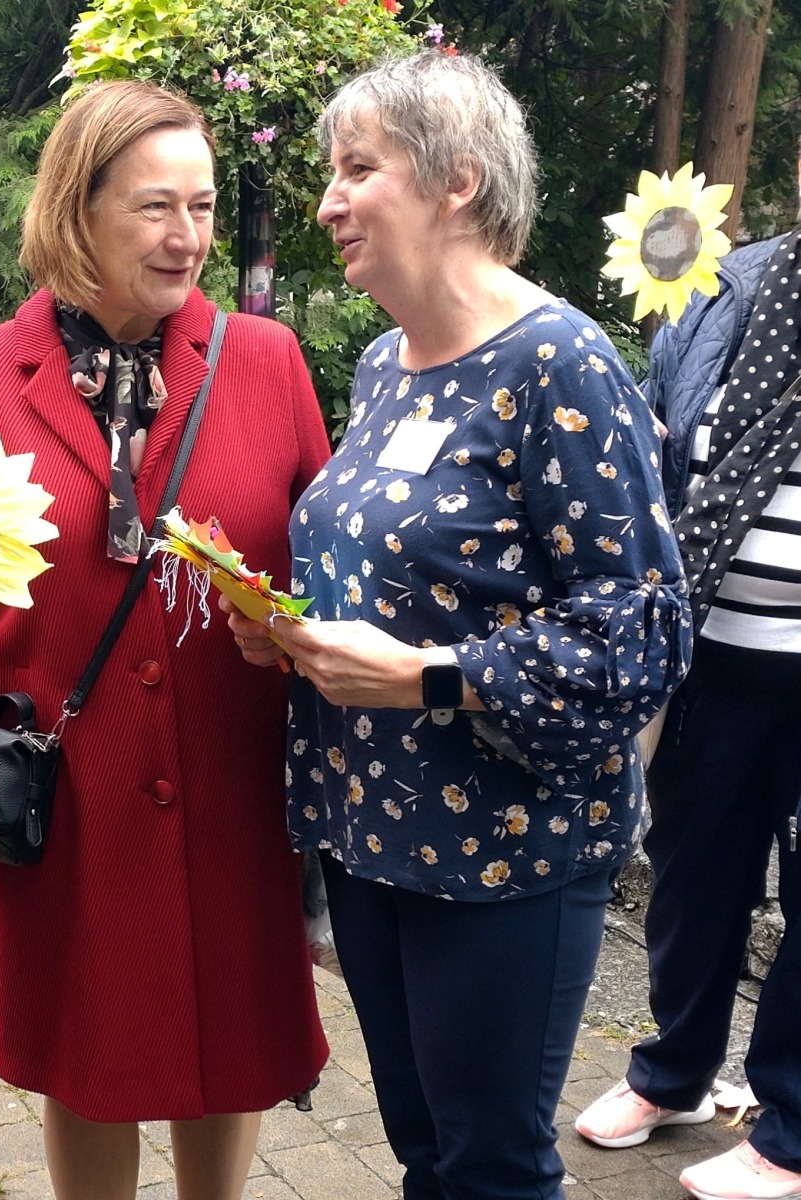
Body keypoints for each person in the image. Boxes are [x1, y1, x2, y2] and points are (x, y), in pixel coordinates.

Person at [226, 50, 690, 1200]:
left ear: (456, 182)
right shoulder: (386, 364)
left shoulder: (561, 365)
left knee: (490, 1165)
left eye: (357, 169)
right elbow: (400, 574)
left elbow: (642, 636)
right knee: (425, 1151)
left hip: (505, 850)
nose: (328, 200)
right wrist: (292, 632)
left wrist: (430, 678)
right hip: (372, 836)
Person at [0, 79, 331, 1199]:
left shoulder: (266, 363)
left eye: (204, 205)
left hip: (234, 784)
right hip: (70, 793)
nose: (188, 239)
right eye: (153, 209)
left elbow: (322, 564)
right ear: (75, 209)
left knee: (231, 1044)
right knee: (89, 1059)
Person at [572, 147, 801, 1200]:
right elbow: (665, 437)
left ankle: (790, 1127)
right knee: (690, 875)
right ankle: (673, 1074)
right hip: (707, 654)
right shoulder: (736, 282)